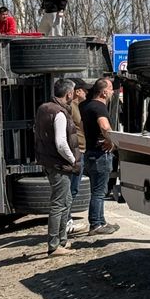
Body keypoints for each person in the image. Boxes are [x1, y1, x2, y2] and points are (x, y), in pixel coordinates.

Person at [33, 78, 81, 257]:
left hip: (50, 161)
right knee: (59, 204)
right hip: (60, 164)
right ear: (69, 94)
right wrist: (72, 160)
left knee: (66, 200)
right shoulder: (59, 113)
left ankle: (62, 240)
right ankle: (54, 245)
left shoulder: (44, 108)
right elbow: (61, 143)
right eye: (73, 92)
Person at [81, 78, 120, 235]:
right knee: (99, 191)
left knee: (96, 190)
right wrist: (112, 141)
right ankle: (96, 224)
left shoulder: (86, 106)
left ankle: (101, 220)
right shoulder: (100, 107)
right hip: (100, 154)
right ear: (104, 92)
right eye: (110, 89)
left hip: (89, 152)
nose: (112, 92)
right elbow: (104, 126)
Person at [66, 78, 92, 236]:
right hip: (76, 152)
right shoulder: (71, 108)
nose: (87, 92)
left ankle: (66, 220)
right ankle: (66, 222)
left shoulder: (77, 107)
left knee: (73, 189)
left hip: (79, 151)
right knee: (71, 189)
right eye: (84, 90)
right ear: (77, 91)